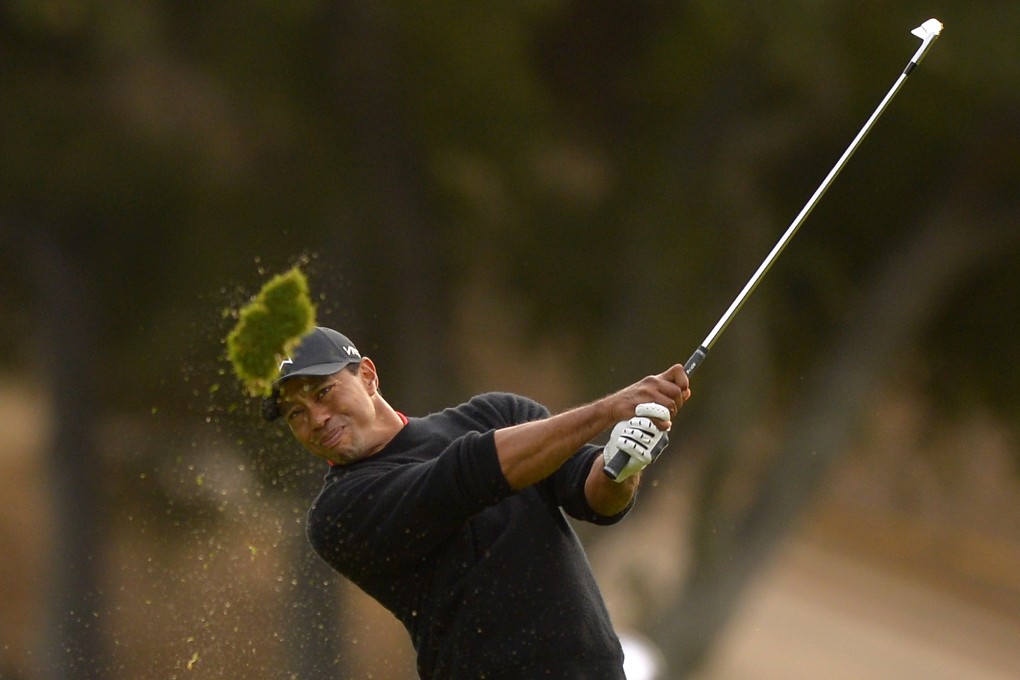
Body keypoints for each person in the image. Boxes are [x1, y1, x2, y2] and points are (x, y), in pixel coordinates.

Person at [262, 326, 691, 679]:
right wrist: (607, 411)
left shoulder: (497, 415)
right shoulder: (338, 513)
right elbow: (463, 477)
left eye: (323, 392)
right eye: (295, 413)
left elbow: (595, 498)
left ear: (369, 377)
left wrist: (622, 464)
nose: (316, 419)